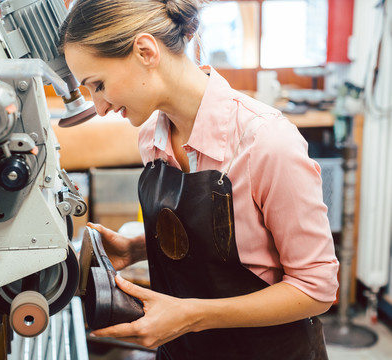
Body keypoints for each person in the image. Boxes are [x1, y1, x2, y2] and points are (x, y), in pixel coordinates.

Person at [59, 0, 339, 358]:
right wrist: (140, 248)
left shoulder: (265, 143)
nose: (99, 107)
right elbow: (225, 239)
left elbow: (316, 290)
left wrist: (191, 316)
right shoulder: (152, 138)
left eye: (98, 85)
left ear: (146, 51)